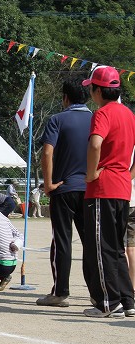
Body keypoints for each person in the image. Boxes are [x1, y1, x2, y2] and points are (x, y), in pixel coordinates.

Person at [81, 65, 135, 318]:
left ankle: (107, 302)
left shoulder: (103, 113)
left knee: (100, 247)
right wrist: (129, 173)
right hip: (123, 187)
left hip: (103, 188)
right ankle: (127, 300)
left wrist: (92, 174)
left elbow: (95, 144)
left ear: (97, 90)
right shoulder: (128, 114)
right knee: (115, 248)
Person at [35, 78, 92, 308]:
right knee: (91, 242)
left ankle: (60, 292)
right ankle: (97, 294)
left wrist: (48, 184)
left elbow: (47, 153)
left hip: (64, 187)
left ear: (65, 98)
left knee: (62, 241)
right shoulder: (97, 119)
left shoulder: (57, 119)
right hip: (90, 187)